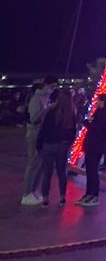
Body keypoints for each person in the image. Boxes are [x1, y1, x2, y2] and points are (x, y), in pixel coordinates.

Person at [20, 75, 58, 206]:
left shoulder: (45, 97)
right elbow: (34, 118)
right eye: (52, 86)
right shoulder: (37, 99)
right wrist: (48, 109)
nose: (53, 89)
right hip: (34, 134)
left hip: (40, 134)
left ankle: (32, 190)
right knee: (32, 164)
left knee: (39, 164)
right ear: (46, 85)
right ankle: (26, 193)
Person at [38, 88, 77, 206]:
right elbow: (72, 132)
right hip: (62, 145)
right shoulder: (70, 114)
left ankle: (45, 198)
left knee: (47, 173)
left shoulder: (51, 112)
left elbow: (43, 130)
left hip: (49, 144)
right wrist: (68, 143)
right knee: (61, 172)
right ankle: (62, 198)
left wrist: (39, 145)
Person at [79, 93, 106, 206]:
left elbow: (97, 129)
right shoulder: (99, 113)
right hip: (92, 144)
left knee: (92, 170)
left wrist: (87, 123)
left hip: (95, 145)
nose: (96, 102)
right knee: (90, 170)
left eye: (98, 100)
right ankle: (89, 193)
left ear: (103, 102)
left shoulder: (103, 115)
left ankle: (93, 195)